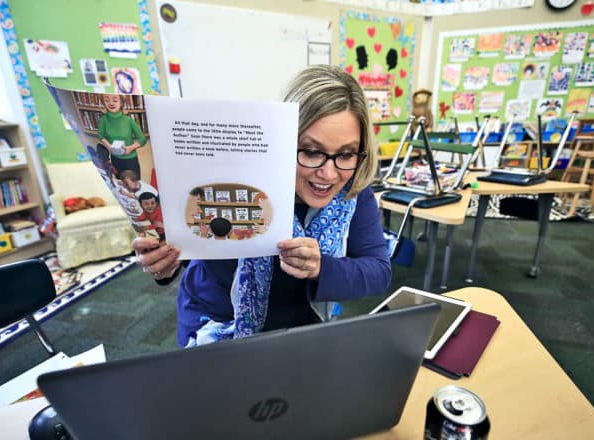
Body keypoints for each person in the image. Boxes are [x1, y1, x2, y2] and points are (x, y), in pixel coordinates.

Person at [132, 65, 391, 347]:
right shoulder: (235, 178)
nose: (328, 174)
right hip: (217, 325)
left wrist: (321, 268)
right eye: (311, 151)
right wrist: (163, 263)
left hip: (299, 330)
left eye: (346, 154)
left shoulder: (352, 190)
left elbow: (378, 271)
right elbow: (184, 250)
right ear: (282, 140)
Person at [97, 93, 147, 179]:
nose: (111, 103)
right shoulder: (103, 120)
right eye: (107, 100)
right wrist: (109, 147)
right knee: (121, 183)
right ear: (103, 103)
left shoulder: (129, 121)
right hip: (115, 159)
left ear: (121, 103)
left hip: (130, 159)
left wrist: (130, 148)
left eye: (115, 100)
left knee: (134, 184)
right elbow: (100, 136)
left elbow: (142, 139)